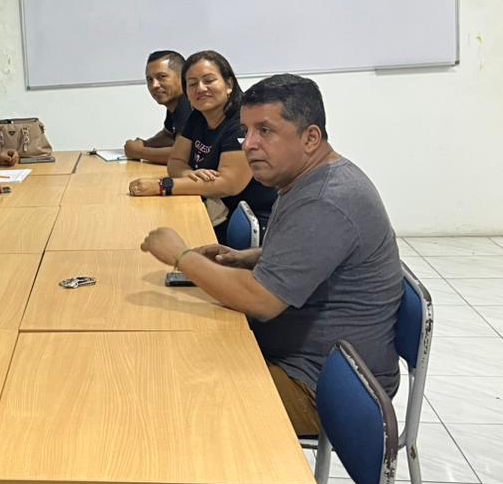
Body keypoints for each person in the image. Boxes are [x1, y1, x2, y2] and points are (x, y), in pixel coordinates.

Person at [139, 74, 402, 436]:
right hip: (302, 361)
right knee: (166, 357)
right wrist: (249, 257)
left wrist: (181, 255)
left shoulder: (325, 199)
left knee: (170, 399)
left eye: (265, 131)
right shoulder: (308, 179)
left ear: (311, 138)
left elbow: (261, 301)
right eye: (246, 131)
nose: (248, 144)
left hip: (322, 388)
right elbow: (316, 252)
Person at [128, 49, 277, 239]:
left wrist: (162, 186)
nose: (200, 88)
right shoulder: (197, 116)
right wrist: (188, 174)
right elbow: (176, 161)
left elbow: (229, 184)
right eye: (192, 84)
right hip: (217, 211)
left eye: (209, 80)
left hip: (252, 223)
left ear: (229, 84)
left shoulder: (242, 121)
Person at [123, 49, 191, 164]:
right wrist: (145, 144)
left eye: (162, 77)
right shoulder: (175, 104)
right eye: (150, 80)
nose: (154, 85)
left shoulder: (189, 102)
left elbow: (183, 154)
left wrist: (139, 152)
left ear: (183, 77)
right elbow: (168, 136)